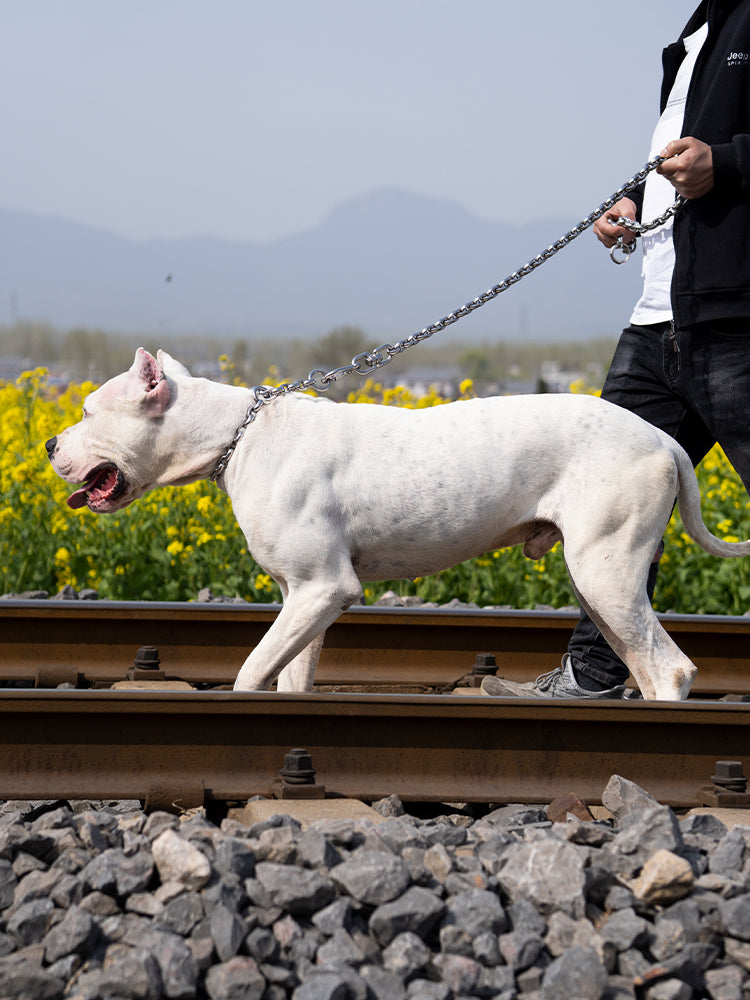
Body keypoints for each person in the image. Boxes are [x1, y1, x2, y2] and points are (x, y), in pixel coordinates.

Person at [483, 0, 750, 699]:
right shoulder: (700, 29)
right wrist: (635, 199)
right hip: (661, 315)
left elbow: (718, 156)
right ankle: (596, 677)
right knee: (605, 501)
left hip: (737, 315)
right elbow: (680, 154)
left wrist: (727, 162)